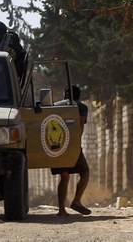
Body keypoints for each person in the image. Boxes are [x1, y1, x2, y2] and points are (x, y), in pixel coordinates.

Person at [51, 85, 91, 216]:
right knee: (84, 172)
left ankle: (61, 209)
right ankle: (76, 201)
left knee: (64, 176)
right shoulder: (82, 107)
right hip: (72, 145)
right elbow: (79, 126)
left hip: (57, 145)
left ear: (67, 94)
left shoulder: (55, 106)